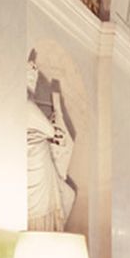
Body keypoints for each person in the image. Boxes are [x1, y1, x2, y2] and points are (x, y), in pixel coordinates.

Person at [27, 53, 76, 231]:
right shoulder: (26, 105)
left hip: (41, 161)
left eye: (35, 74)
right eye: (29, 75)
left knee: (68, 195)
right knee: (57, 202)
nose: (33, 78)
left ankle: (54, 230)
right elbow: (48, 130)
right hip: (36, 165)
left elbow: (48, 131)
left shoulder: (30, 105)